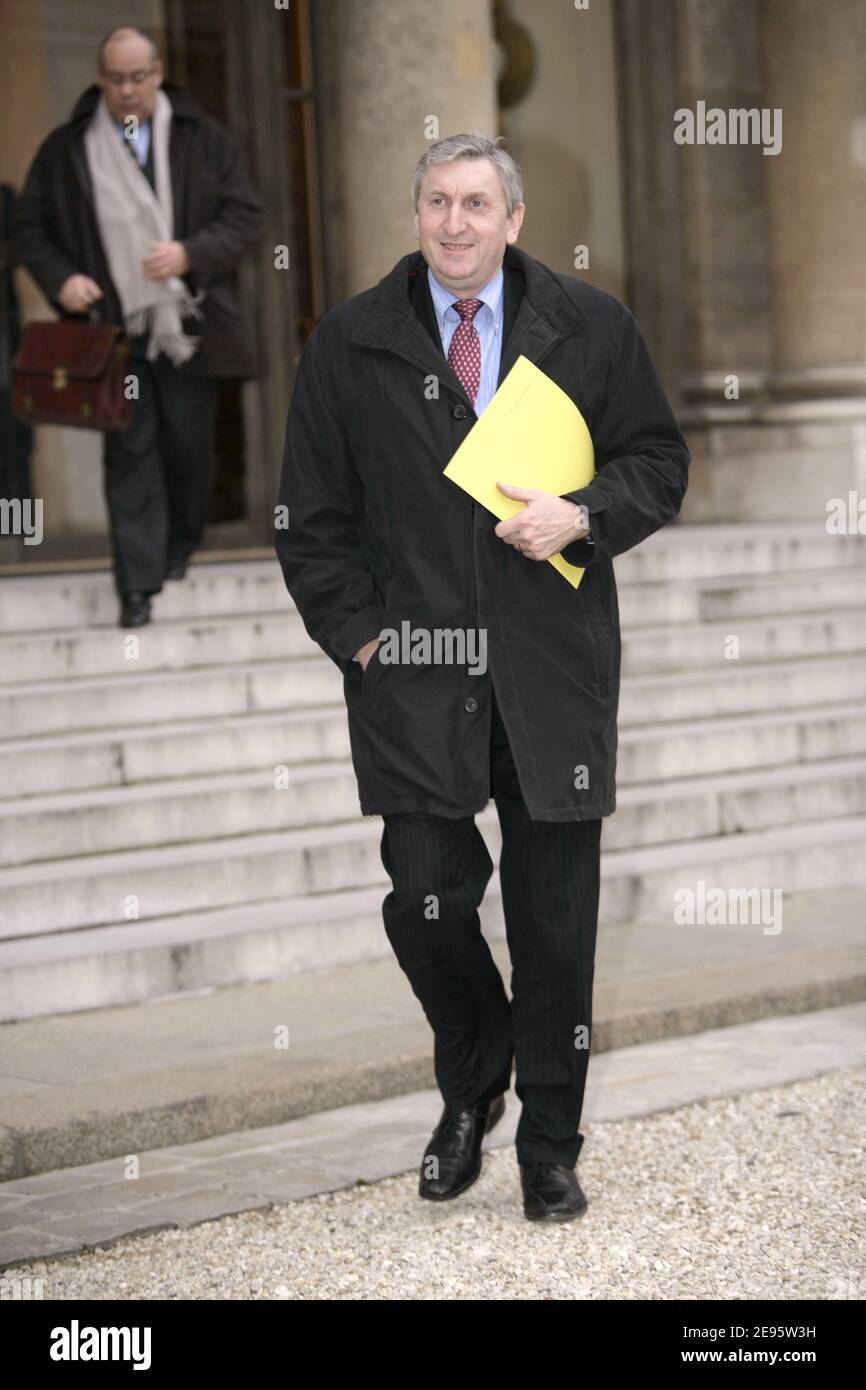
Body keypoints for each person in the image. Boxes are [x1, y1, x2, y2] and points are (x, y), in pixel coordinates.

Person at [275, 132, 690, 1222]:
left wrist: (583, 515)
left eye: (474, 204)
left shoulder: (589, 328)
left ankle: (547, 1144)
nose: (453, 223)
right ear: (414, 216)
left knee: (555, 925)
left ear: (512, 219)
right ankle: (474, 1074)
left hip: (550, 669)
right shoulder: (349, 344)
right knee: (423, 896)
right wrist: (360, 640)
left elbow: (657, 461)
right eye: (434, 203)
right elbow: (310, 523)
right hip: (411, 674)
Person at [14, 25, 263, 627]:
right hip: (111, 332)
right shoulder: (67, 149)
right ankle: (136, 584)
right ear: (101, 80)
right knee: (128, 452)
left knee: (186, 445)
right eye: (115, 79)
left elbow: (246, 217)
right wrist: (63, 279)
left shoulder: (207, 141)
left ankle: (180, 542)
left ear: (157, 74)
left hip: (188, 326)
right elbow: (30, 230)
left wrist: (189, 253)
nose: (126, 90)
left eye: (138, 77)